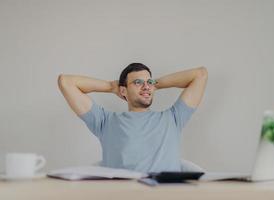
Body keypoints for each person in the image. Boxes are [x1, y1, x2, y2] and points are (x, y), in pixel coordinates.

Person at [57, 63, 208, 173]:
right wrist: (110, 86)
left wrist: (156, 84)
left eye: (149, 82)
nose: (146, 87)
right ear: (123, 91)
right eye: (138, 83)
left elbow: (200, 75)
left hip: (166, 194)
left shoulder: (173, 118)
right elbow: (66, 82)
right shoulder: (105, 121)